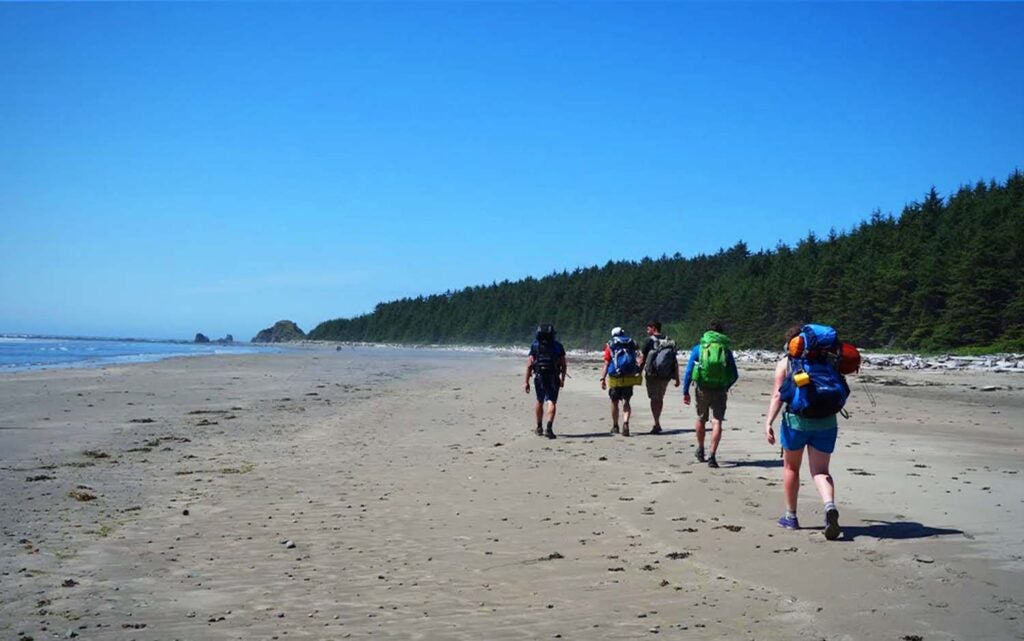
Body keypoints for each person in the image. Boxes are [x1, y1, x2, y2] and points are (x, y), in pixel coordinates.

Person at [764, 324, 848, 540]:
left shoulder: (786, 362)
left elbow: (777, 396)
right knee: (821, 471)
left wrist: (769, 422)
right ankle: (829, 506)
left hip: (796, 421)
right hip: (827, 421)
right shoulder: (828, 361)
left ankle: (791, 517)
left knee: (791, 468)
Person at [682, 323, 738, 468]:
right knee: (717, 420)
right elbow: (734, 375)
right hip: (720, 388)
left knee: (701, 418)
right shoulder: (725, 349)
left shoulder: (699, 348)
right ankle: (712, 455)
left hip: (702, 388)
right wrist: (726, 386)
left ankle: (700, 449)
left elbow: (689, 372)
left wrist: (685, 391)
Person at [524, 324, 567, 439]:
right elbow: (563, 364)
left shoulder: (535, 346)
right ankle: (549, 427)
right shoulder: (557, 346)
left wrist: (526, 381)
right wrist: (562, 379)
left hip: (539, 377)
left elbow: (529, 365)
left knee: (539, 400)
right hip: (553, 377)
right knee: (551, 401)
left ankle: (539, 427)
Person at [637, 320, 680, 434]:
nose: (647, 331)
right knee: (659, 397)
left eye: (648, 328)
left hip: (652, 374)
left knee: (654, 398)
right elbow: (674, 361)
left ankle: (656, 422)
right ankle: (657, 421)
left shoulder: (648, 341)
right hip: (665, 374)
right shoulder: (669, 340)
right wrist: (677, 377)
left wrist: (638, 373)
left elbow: (643, 359)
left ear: (653, 328)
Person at [600, 327, 641, 437]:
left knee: (614, 401)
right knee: (626, 401)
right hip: (629, 375)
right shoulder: (631, 343)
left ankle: (615, 426)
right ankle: (626, 423)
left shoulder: (611, 345)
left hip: (615, 376)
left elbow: (606, 363)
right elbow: (638, 356)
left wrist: (602, 378)